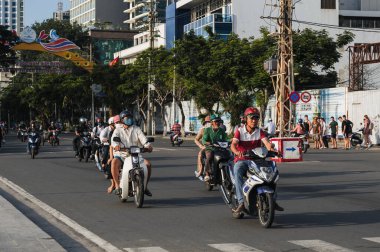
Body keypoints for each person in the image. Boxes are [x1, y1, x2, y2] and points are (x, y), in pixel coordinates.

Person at [230, 107, 283, 213]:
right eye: (252, 118)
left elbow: (267, 143)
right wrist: (237, 152)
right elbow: (233, 145)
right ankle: (241, 202)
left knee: (272, 173)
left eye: (256, 118)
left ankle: (272, 200)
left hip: (258, 160)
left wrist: (273, 149)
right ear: (246, 119)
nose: (254, 120)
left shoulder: (260, 131)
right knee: (237, 172)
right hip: (242, 159)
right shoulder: (239, 131)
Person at [110, 110, 153, 196]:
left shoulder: (136, 129)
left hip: (135, 155)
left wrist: (148, 146)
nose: (129, 120)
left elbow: (144, 140)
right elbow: (114, 140)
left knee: (148, 164)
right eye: (127, 118)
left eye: (130, 118)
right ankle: (118, 186)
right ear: (122, 120)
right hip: (122, 155)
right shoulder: (117, 130)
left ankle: (145, 187)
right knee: (114, 162)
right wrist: (116, 146)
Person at [202, 114, 228, 182]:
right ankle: (207, 173)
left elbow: (226, 139)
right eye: (216, 121)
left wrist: (231, 141)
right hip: (210, 148)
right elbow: (204, 140)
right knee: (209, 156)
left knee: (229, 156)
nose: (218, 123)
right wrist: (208, 143)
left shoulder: (221, 130)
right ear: (212, 122)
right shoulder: (207, 130)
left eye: (219, 121)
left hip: (220, 148)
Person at [194, 115, 211, 180]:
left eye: (210, 122)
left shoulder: (217, 129)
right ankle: (201, 171)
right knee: (201, 154)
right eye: (207, 122)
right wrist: (201, 146)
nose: (209, 124)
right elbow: (196, 139)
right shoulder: (203, 130)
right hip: (207, 147)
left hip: (217, 147)